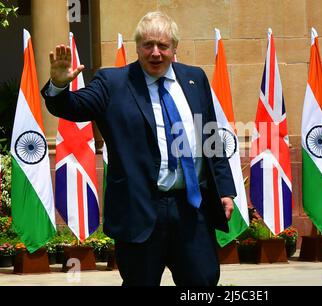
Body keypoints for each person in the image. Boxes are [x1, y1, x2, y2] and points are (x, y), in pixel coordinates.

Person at [42, 11, 236, 286]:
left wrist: (225, 189)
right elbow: (73, 107)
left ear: (174, 48)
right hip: (141, 211)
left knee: (203, 281)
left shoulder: (195, 79)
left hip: (192, 208)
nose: (155, 53)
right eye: (148, 45)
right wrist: (60, 85)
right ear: (137, 47)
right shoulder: (113, 82)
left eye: (163, 46)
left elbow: (210, 136)